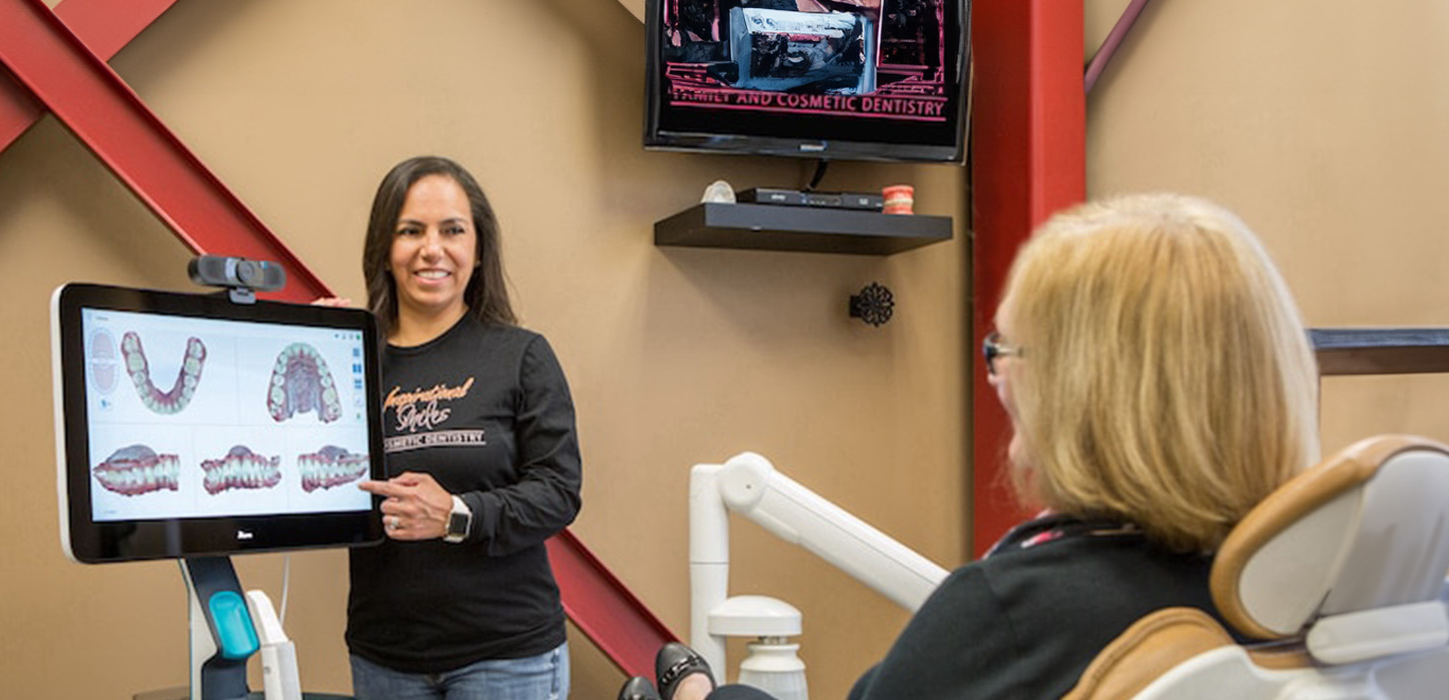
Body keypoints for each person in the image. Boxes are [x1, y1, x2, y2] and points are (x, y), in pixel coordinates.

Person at [621, 193, 1321, 700]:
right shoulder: (1329, 593)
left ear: (1084, 388)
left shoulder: (1011, 613)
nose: (998, 379)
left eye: (1007, 351)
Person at [343, 156, 584, 700]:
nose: (433, 249)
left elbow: (558, 493)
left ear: (478, 250)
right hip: (385, 657)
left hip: (506, 656)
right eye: (411, 231)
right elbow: (314, 481)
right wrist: (313, 352)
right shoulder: (353, 363)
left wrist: (457, 515)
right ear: (385, 248)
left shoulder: (521, 355)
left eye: (452, 230)